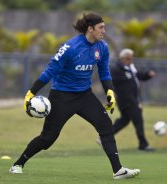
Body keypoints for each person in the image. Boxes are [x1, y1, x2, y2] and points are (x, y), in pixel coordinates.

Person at [9, 13, 140, 179]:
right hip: (61, 97)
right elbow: (50, 71)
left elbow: (104, 72)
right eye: (101, 28)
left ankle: (118, 170)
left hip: (84, 96)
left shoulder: (102, 47)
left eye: (104, 27)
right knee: (48, 138)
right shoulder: (70, 47)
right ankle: (18, 164)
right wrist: (31, 93)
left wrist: (110, 92)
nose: (104, 31)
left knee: (106, 126)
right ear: (90, 29)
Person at [111, 48, 156, 151]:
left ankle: (105, 137)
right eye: (127, 58)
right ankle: (143, 144)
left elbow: (139, 76)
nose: (130, 61)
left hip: (133, 100)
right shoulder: (117, 70)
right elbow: (111, 83)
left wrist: (148, 75)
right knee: (138, 120)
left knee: (124, 120)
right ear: (122, 58)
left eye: (131, 59)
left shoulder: (130, 68)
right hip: (126, 101)